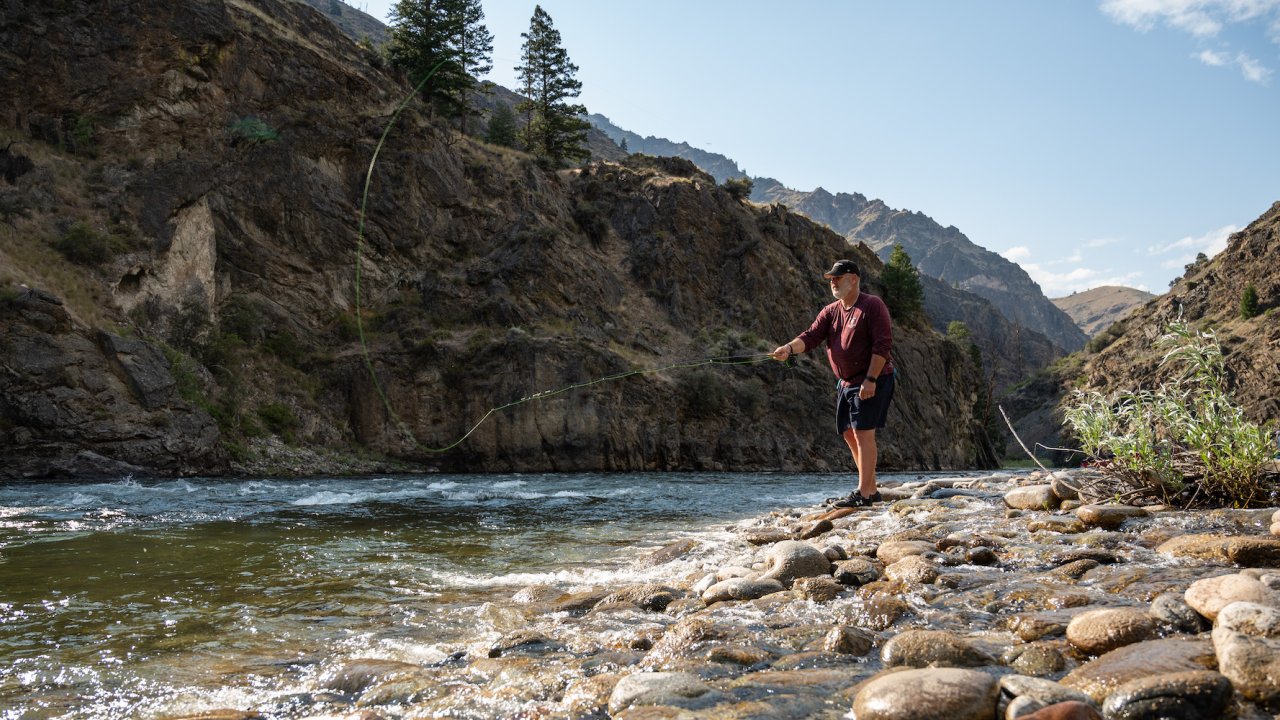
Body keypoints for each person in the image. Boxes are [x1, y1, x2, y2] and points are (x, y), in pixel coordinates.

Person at [772, 259, 895, 508]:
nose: (833, 283)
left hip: (873, 379)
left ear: (854, 279)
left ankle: (863, 494)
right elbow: (811, 335)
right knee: (849, 434)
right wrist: (788, 348)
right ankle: (871, 490)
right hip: (846, 383)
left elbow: (882, 345)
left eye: (838, 278)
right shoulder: (831, 311)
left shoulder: (872, 305)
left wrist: (870, 379)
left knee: (863, 433)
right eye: (831, 279)